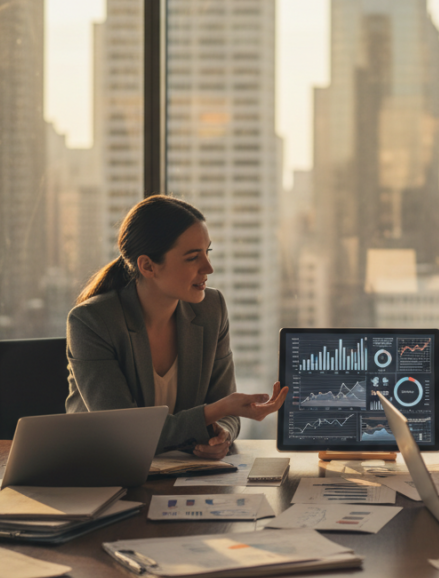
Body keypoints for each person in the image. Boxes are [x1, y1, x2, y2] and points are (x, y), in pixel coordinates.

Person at [66, 195, 287, 458]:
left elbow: (227, 410)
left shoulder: (211, 308)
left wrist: (221, 435)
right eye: (193, 258)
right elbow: (124, 433)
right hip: (106, 473)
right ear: (148, 266)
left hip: (181, 474)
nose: (209, 268)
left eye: (208, 252)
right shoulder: (91, 321)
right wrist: (216, 411)